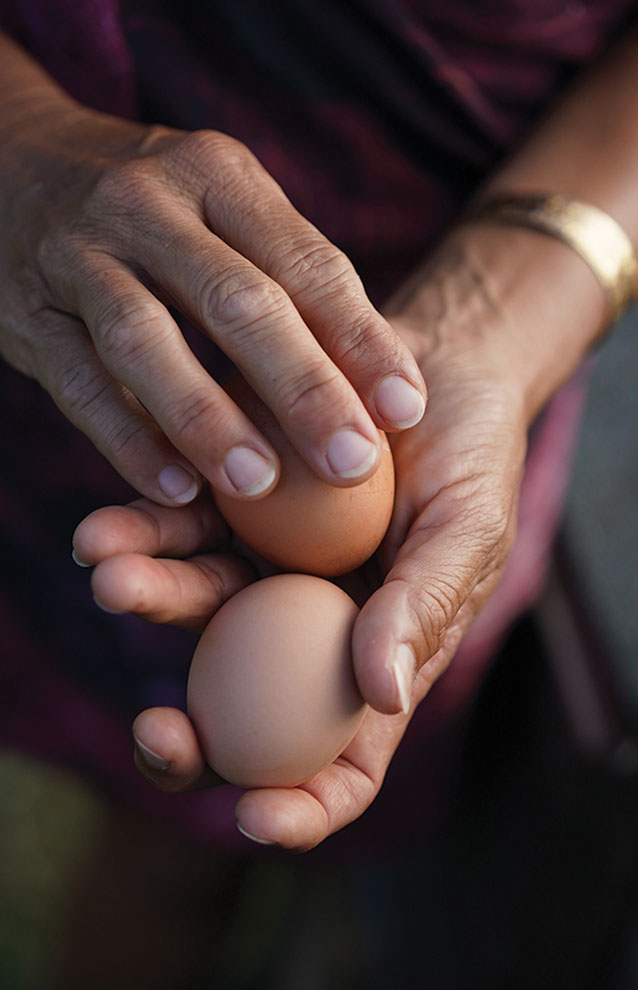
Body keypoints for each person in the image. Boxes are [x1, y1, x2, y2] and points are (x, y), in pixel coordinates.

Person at [1, 2, 637, 859]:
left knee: (193, 837)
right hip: (46, 278)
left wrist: (492, 318)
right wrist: (18, 137)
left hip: (450, 354)